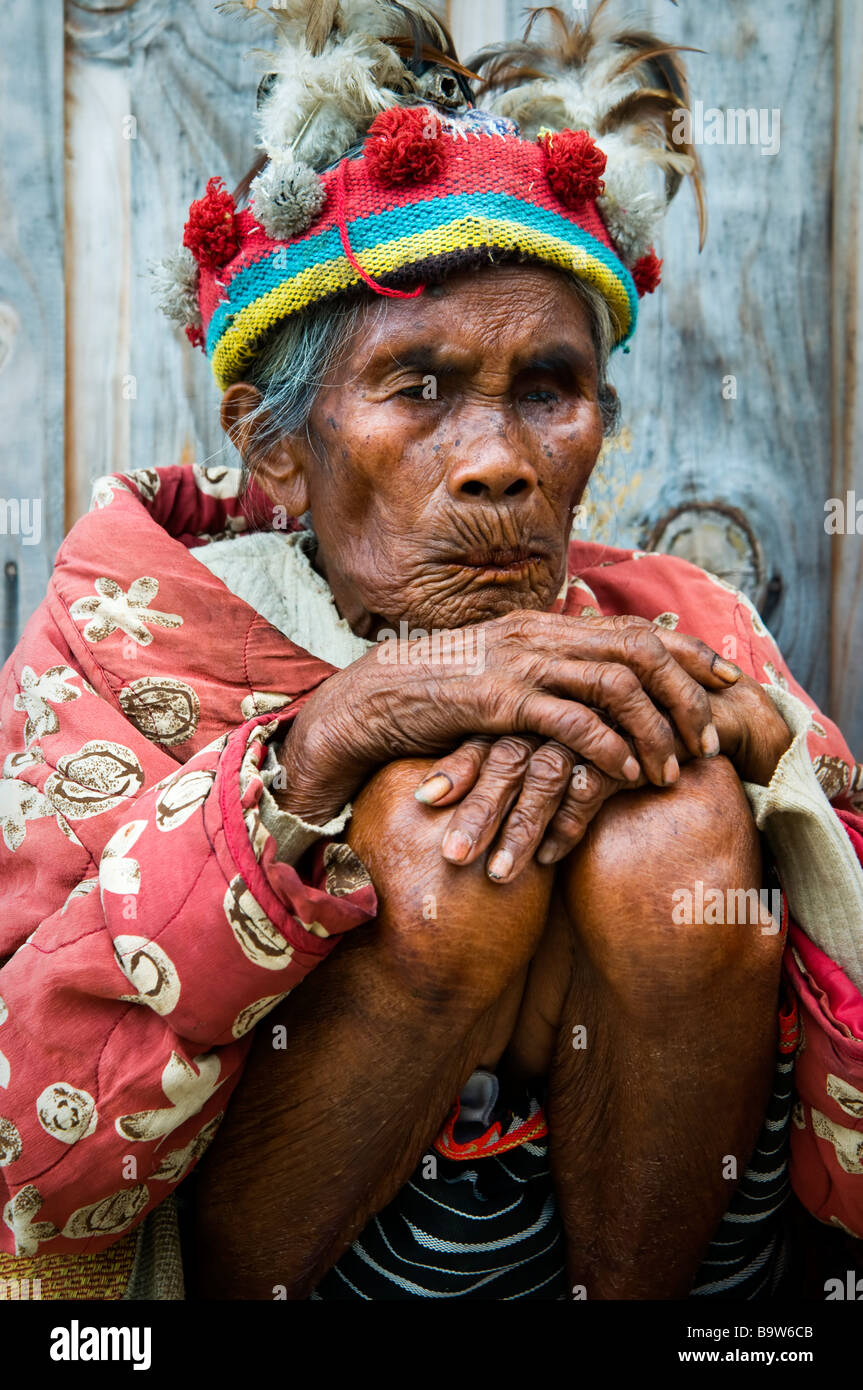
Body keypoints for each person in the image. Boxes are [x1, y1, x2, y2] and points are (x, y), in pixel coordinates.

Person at [0, 1, 861, 1301]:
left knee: (678, 828)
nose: (504, 462)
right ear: (274, 443)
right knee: (436, 850)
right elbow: (20, 1133)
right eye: (419, 387)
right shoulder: (129, 636)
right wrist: (313, 755)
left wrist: (777, 774)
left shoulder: (687, 626)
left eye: (548, 391)